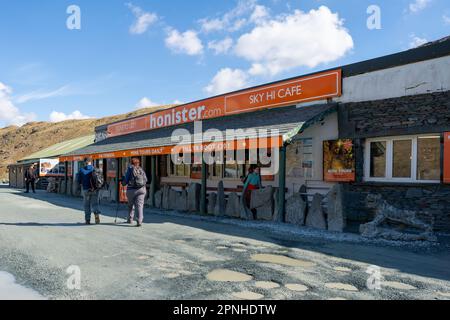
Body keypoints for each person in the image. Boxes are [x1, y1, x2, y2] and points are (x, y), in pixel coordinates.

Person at [123, 157, 147, 227]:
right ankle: (139, 221)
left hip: (131, 190)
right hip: (141, 190)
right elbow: (146, 179)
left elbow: (126, 180)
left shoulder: (130, 169)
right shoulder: (141, 169)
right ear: (138, 163)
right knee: (139, 206)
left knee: (130, 205)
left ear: (131, 163)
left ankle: (130, 219)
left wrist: (123, 181)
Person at [77, 157, 101, 225]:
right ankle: (97, 217)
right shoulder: (95, 169)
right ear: (91, 162)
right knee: (95, 204)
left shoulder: (81, 170)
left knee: (87, 205)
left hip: (86, 190)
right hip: (95, 190)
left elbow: (78, 180)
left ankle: (87, 220)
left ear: (85, 162)